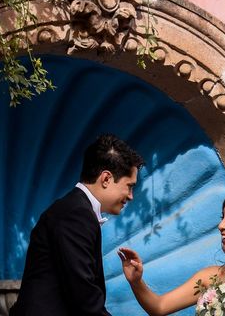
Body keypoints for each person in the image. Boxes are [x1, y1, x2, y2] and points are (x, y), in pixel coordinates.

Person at [10, 134, 144, 316]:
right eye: (129, 186)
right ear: (106, 179)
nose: (131, 196)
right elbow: (84, 297)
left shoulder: (75, 209)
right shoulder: (76, 214)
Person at [118, 188, 225, 316]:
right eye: (222, 218)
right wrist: (136, 281)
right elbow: (159, 307)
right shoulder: (209, 277)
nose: (221, 225)